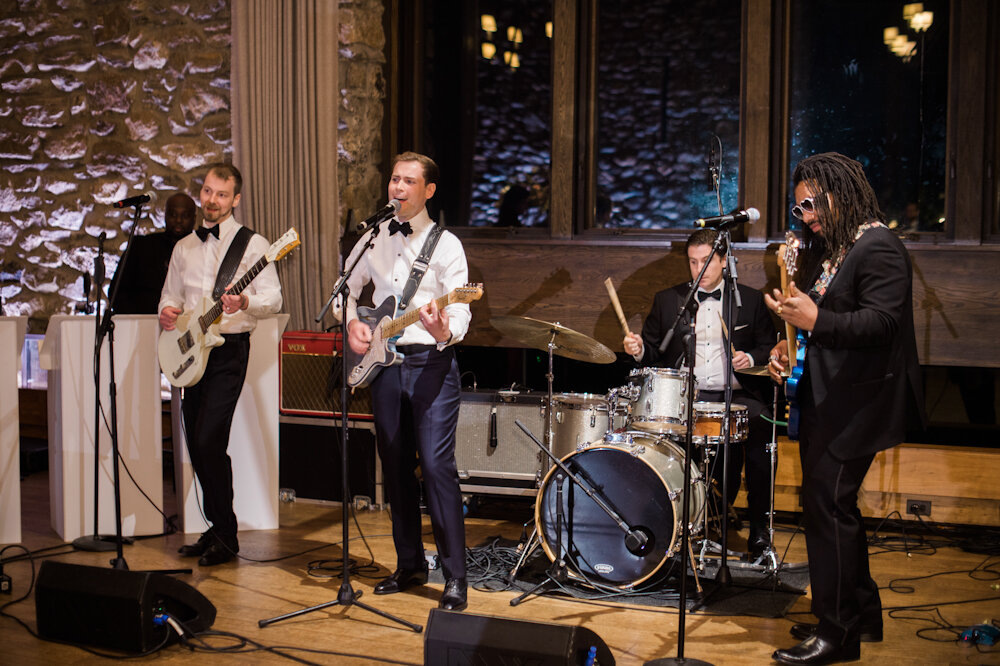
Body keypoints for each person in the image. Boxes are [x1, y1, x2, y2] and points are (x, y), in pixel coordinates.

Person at [765, 152, 924, 665]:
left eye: (811, 204)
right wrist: (788, 347)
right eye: (799, 210)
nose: (806, 216)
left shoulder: (879, 246)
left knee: (828, 510)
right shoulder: (839, 250)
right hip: (830, 397)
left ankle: (838, 635)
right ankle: (861, 614)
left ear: (840, 191)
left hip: (859, 403)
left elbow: (881, 325)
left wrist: (814, 322)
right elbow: (823, 324)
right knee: (836, 509)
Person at [345, 151, 472, 611]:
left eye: (409, 181)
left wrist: (443, 329)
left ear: (428, 191)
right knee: (395, 465)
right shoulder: (374, 236)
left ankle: (455, 576)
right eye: (394, 179)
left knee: (437, 467)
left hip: (431, 364)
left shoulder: (448, 244)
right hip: (385, 366)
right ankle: (410, 564)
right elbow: (346, 288)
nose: (398, 188)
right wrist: (352, 324)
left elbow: (460, 308)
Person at [623, 228, 777, 556]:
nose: (699, 271)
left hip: (738, 395)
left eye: (706, 262)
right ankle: (673, 520)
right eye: (693, 263)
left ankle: (760, 527)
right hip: (686, 398)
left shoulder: (749, 300)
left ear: (724, 261)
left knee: (763, 425)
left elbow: (769, 347)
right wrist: (637, 349)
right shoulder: (668, 301)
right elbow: (653, 353)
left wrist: (749, 357)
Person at [158, 163, 283, 566]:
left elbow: (274, 300)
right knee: (196, 441)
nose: (211, 201)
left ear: (236, 199)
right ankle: (216, 528)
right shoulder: (183, 248)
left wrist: (244, 301)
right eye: (208, 192)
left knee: (211, 438)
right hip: (191, 349)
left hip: (229, 350)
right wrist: (167, 311)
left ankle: (227, 537)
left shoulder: (254, 244)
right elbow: (169, 296)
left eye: (221, 194)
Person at [110, 192, 197, 314]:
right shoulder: (141, 246)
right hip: (142, 323)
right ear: (165, 216)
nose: (178, 220)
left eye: (185, 215)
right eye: (173, 214)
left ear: (194, 219)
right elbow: (117, 293)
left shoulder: (201, 249)